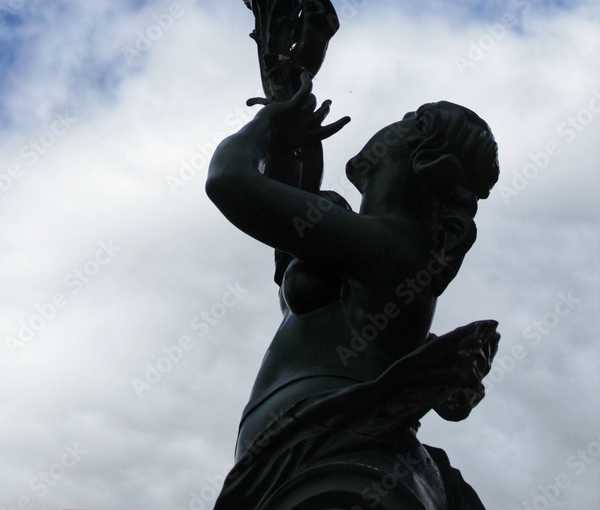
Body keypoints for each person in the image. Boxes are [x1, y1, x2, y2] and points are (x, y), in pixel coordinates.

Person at [206, 74, 501, 509]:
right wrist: (288, 147)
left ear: (422, 149)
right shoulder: (378, 243)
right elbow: (288, 245)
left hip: (332, 457)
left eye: (410, 120)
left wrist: (265, 124)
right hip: (310, 455)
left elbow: (228, 181)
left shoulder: (392, 245)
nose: (391, 125)